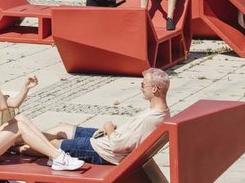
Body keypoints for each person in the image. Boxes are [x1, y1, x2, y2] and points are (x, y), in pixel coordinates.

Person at [0, 58, 84, 171]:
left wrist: (26, 88)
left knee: (20, 119)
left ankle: (53, 155)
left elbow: (14, 103)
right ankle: (58, 157)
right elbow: (1, 106)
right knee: (20, 128)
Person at [37, 68, 171, 166]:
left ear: (154, 89)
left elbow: (117, 145)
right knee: (64, 128)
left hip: (103, 152)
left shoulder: (150, 118)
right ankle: (24, 138)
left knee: (54, 144)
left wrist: (109, 127)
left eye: (143, 85)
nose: (141, 88)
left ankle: (20, 145)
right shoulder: (162, 112)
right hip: (106, 141)